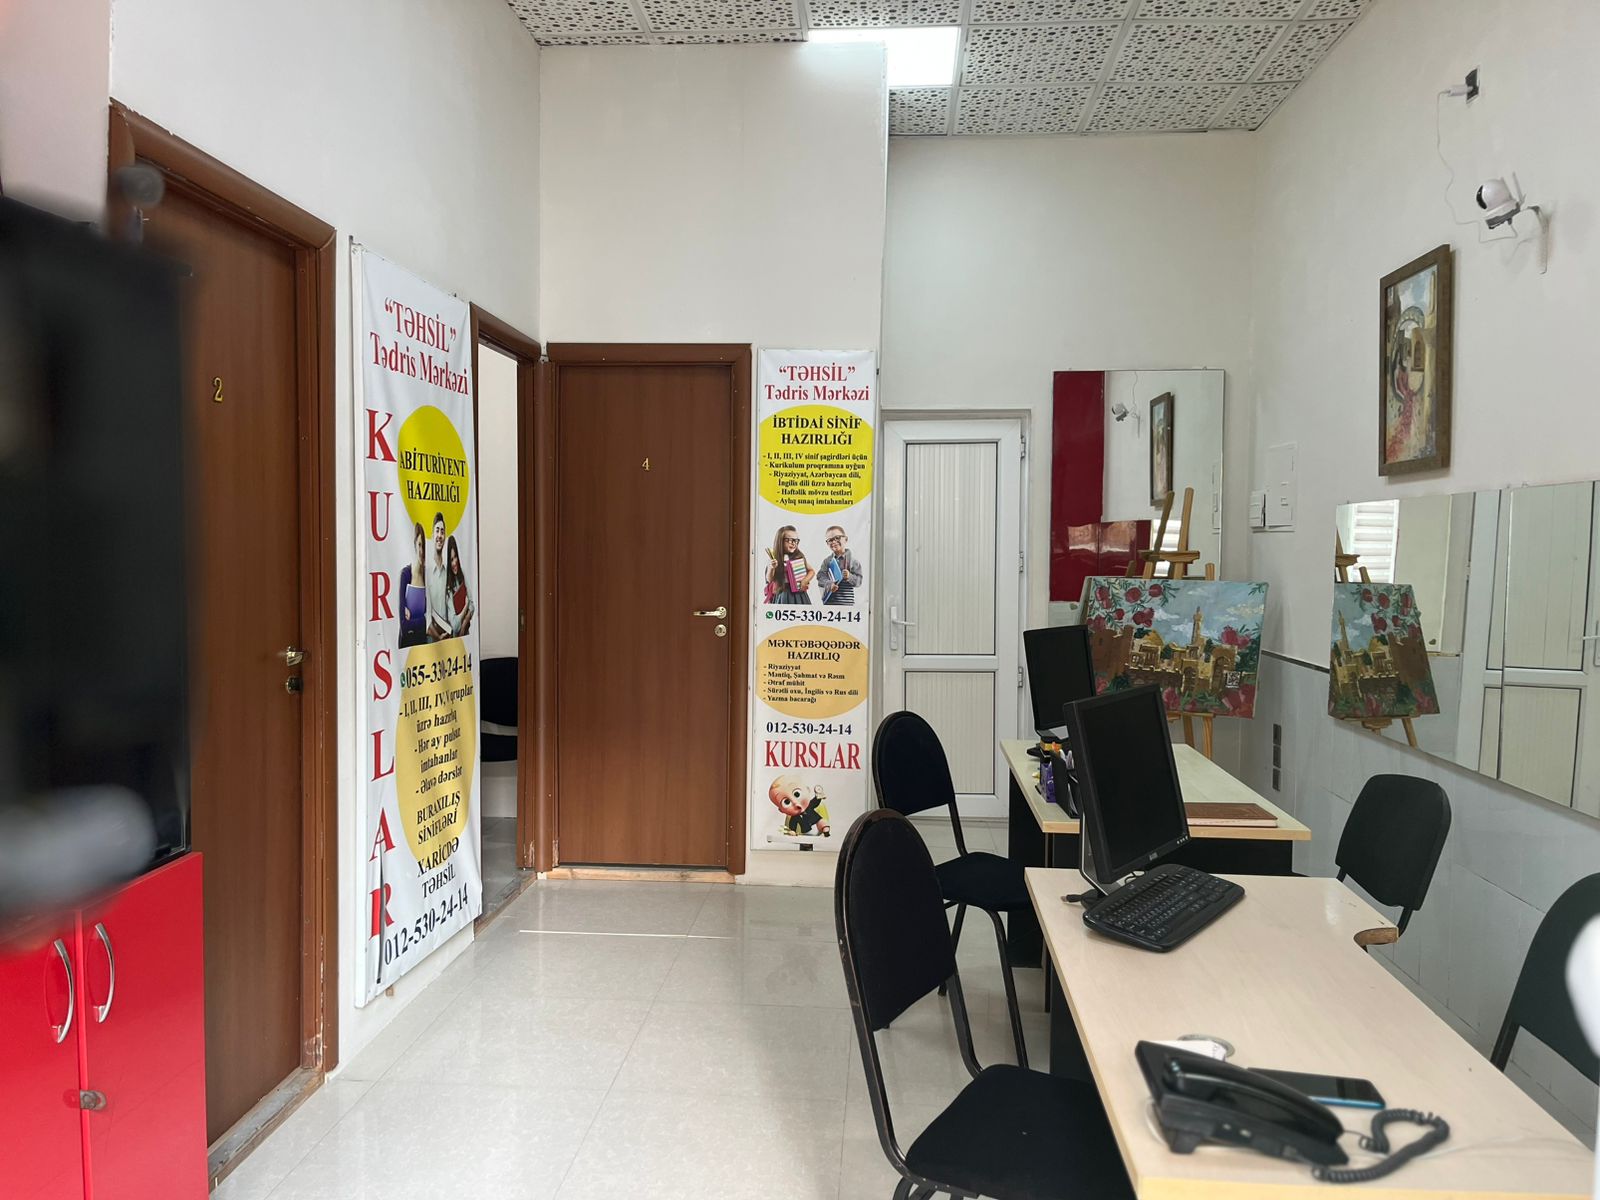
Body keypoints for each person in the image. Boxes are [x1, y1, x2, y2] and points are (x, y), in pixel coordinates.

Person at [397, 522, 429, 647]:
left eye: (424, 547)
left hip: (423, 642)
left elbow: (432, 617)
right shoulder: (406, 574)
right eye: (419, 545)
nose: (421, 551)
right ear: (415, 544)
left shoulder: (428, 576)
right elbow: (404, 625)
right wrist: (424, 620)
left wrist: (417, 621)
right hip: (407, 644)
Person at [818, 526, 863, 607]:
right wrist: (829, 584)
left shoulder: (853, 562)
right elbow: (820, 577)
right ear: (827, 543)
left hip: (846, 603)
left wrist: (849, 576)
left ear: (845, 539)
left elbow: (859, 581)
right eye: (830, 540)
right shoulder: (827, 561)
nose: (834, 542)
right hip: (829, 603)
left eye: (837, 538)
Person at [768, 525, 813, 605]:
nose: (794, 543)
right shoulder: (775, 558)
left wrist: (805, 581)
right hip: (784, 593)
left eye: (796, 540)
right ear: (780, 541)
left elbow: (811, 571)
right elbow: (770, 579)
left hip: (799, 593)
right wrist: (772, 568)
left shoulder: (798, 556)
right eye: (790, 540)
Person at [425, 512, 452, 641]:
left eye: (442, 532)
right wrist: (437, 636)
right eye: (437, 531)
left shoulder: (449, 572)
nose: (440, 536)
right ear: (432, 535)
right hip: (431, 638)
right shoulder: (427, 572)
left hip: (448, 635)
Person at [445, 535, 474, 637]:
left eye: (455, 557)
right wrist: (465, 608)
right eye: (451, 560)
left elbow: (472, 605)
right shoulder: (448, 587)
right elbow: (455, 625)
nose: (454, 563)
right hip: (455, 639)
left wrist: (464, 622)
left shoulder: (462, 574)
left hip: (466, 633)